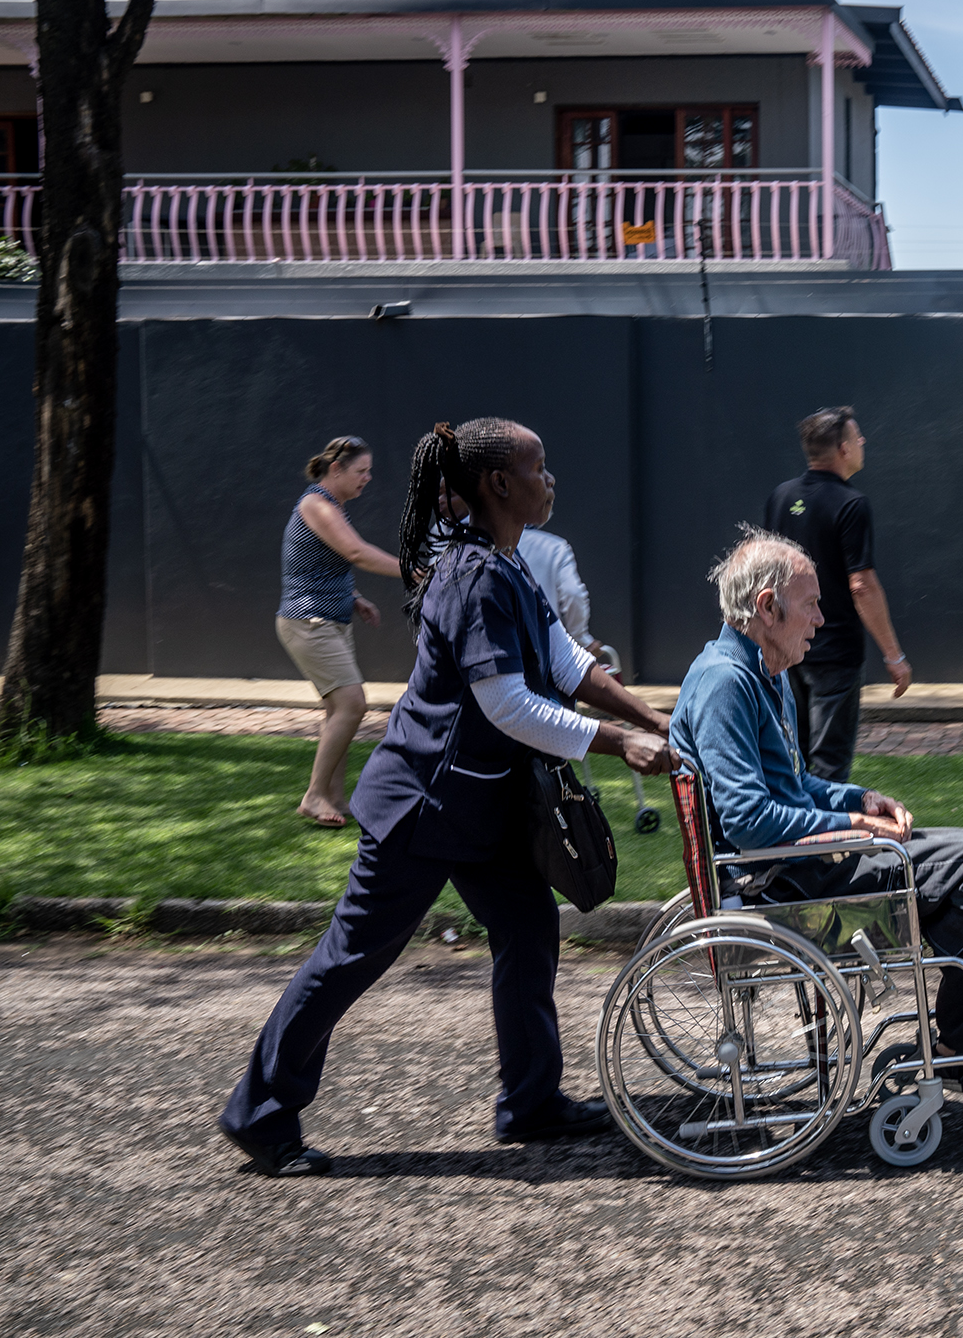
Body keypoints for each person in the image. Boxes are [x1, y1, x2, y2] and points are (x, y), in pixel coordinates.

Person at [219, 417, 680, 1178]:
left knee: (529, 930)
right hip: (423, 805)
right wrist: (617, 742)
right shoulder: (471, 576)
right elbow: (509, 707)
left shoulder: (508, 565)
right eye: (540, 466)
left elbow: (568, 666)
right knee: (351, 957)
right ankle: (260, 1113)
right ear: (499, 483)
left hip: (481, 804)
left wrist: (655, 719)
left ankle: (530, 1102)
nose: (551, 480)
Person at [669, 528, 963, 1092]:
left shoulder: (756, 671)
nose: (821, 618)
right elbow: (749, 820)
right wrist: (853, 824)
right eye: (812, 605)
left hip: (796, 867)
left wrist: (859, 798)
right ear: (767, 608)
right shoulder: (728, 683)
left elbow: (791, 787)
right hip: (780, 886)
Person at [764, 407, 912, 782]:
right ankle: (826, 841)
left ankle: (788, 837)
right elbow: (861, 584)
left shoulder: (781, 497)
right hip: (834, 656)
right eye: (857, 437)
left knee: (788, 759)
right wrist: (894, 656)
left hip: (785, 650)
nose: (863, 442)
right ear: (844, 449)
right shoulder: (852, 504)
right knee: (829, 766)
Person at [277, 435, 404, 828]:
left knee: (338, 710)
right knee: (352, 705)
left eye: (369, 471)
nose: (368, 478)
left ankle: (333, 797)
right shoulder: (316, 503)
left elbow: (319, 563)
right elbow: (356, 552)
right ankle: (314, 795)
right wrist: (415, 569)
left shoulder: (332, 506)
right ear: (337, 470)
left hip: (329, 619)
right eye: (361, 471)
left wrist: (354, 597)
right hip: (308, 622)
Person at [517, 525, 596, 652]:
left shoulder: (487, 545)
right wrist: (580, 638)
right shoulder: (555, 547)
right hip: (548, 649)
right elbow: (573, 593)